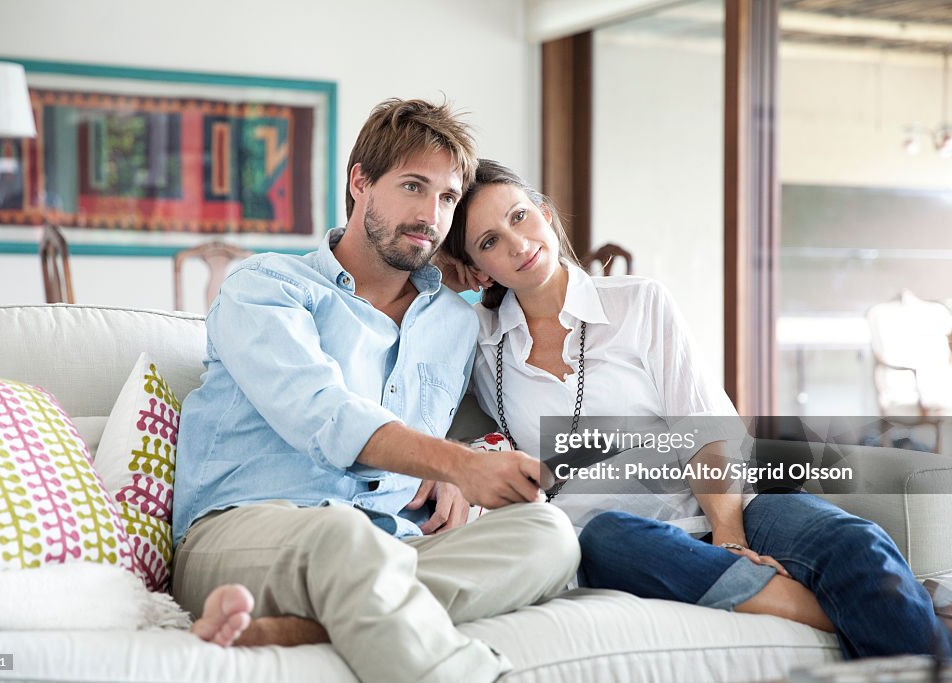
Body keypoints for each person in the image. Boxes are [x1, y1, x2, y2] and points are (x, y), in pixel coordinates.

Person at [437, 158, 952, 660]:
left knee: (854, 543)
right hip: (618, 538)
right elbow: (409, 325)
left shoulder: (638, 303)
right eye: (489, 242)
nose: (517, 243)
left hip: (726, 507)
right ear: (478, 268)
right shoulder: (478, 344)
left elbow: (703, 425)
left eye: (519, 216)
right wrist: (444, 271)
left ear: (545, 213)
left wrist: (728, 537)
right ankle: (834, 609)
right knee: (606, 537)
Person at [171, 101, 580, 683]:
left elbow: (471, 433)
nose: (430, 214)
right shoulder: (266, 287)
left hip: (390, 545)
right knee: (341, 534)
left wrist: (470, 465)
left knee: (549, 537)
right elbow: (322, 414)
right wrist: (456, 463)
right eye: (413, 186)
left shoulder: (455, 323)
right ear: (360, 181)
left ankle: (297, 632)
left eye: (446, 199)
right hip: (242, 535)